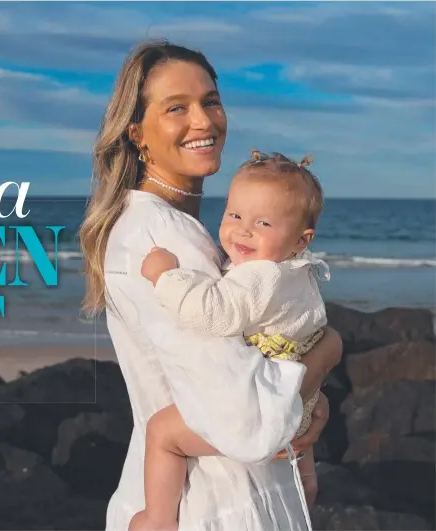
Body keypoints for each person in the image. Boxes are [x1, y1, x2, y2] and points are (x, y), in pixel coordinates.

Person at [78, 40, 342, 531]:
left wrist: (310, 399)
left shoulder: (185, 233)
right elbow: (241, 410)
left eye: (211, 101)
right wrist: (326, 353)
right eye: (176, 107)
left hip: (211, 488)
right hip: (209, 503)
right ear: (136, 133)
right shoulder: (163, 239)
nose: (203, 121)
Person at [136, 150, 331, 531]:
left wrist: (165, 277)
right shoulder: (298, 275)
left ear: (299, 240)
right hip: (295, 401)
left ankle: (156, 518)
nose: (243, 230)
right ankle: (307, 486)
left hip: (262, 409)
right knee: (298, 448)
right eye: (235, 215)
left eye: (263, 222)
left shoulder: (260, 276)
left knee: (162, 432)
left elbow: (214, 312)